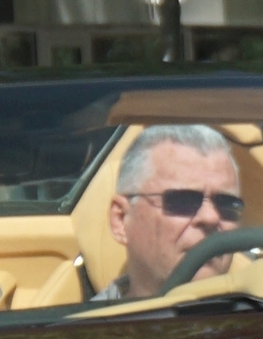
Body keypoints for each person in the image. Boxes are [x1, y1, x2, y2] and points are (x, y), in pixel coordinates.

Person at [94, 124, 244, 301]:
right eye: (183, 201)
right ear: (121, 219)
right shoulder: (83, 327)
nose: (210, 217)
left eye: (227, 204)